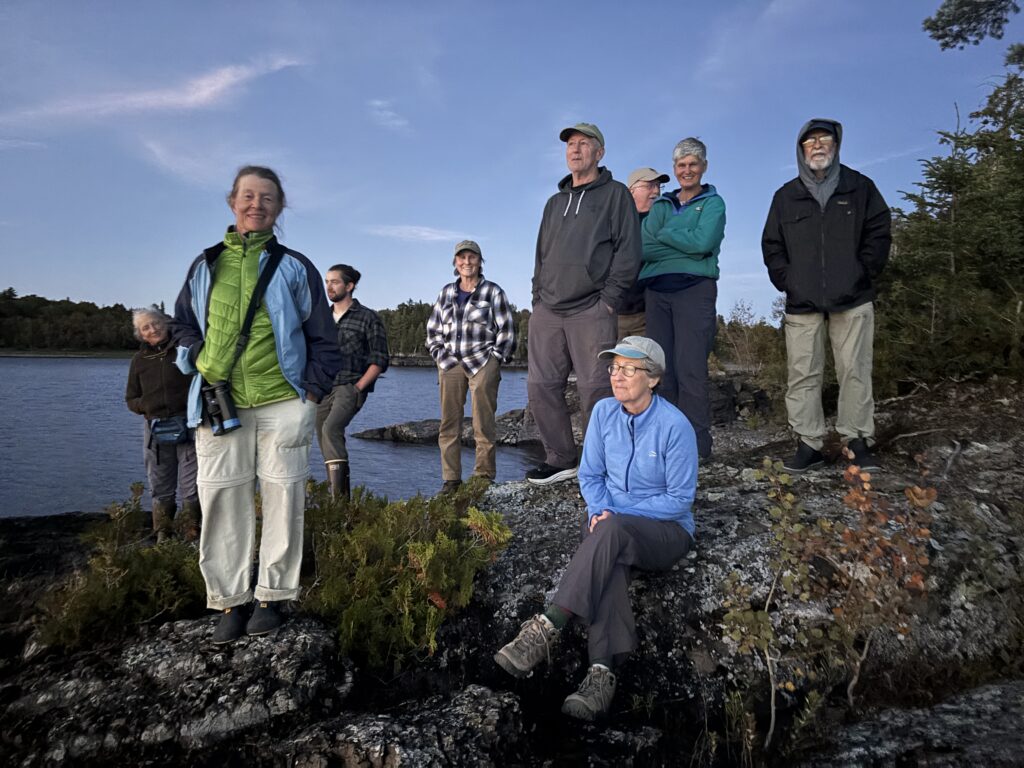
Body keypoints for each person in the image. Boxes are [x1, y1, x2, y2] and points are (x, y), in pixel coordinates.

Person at [171, 165, 342, 645]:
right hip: (217, 403)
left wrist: (310, 396)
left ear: (279, 208)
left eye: (267, 198)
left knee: (285, 499)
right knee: (223, 499)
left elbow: (324, 341)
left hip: (283, 402)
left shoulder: (295, 266)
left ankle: (272, 595)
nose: (256, 204)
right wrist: (196, 357)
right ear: (232, 202)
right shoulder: (205, 265)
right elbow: (183, 324)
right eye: (248, 196)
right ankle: (229, 601)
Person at [494, 336, 697, 721]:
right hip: (611, 528)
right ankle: (601, 675)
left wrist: (614, 512)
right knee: (610, 554)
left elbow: (679, 499)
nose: (617, 377)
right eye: (614, 368)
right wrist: (601, 510)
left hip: (667, 532)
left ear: (652, 378)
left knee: (610, 533)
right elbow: (590, 475)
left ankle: (548, 625)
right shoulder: (604, 413)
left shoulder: (675, 426)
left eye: (628, 369)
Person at [761, 119, 891, 473]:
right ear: (801, 150)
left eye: (825, 140)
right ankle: (809, 444)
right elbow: (772, 245)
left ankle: (857, 442)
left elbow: (879, 234)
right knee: (803, 373)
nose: (818, 146)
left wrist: (862, 272)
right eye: (810, 142)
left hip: (853, 298)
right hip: (802, 303)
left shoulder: (860, 187)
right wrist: (788, 281)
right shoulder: (786, 196)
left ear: (836, 145)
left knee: (855, 371)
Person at [527, 122, 642, 485]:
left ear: (599, 152)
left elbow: (628, 251)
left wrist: (609, 300)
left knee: (596, 388)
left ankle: (598, 463)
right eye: (570, 145)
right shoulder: (554, 203)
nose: (575, 150)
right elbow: (540, 255)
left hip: (592, 308)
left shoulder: (616, 195)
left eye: (583, 144)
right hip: (548, 311)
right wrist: (537, 299)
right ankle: (560, 458)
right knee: (541, 386)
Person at [638, 138, 726, 461]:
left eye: (692, 164)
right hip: (657, 293)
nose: (686, 170)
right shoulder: (662, 205)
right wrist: (682, 243)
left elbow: (704, 242)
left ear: (703, 167)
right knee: (662, 371)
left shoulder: (713, 204)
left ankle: (698, 448)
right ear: (675, 169)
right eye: (681, 165)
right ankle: (667, 446)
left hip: (695, 291)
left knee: (691, 370)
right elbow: (645, 248)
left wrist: (666, 236)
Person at [426, 240, 516, 494]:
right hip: (450, 363)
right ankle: (451, 479)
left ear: (480, 261)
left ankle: (483, 477)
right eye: (461, 257)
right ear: (455, 263)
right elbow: (433, 331)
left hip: (482, 362)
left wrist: (495, 359)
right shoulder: (445, 293)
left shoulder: (493, 292)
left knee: (483, 423)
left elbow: (507, 330)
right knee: (448, 423)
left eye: (472, 257)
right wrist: (439, 355)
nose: (467, 262)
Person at [125, 306, 200, 543]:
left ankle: (191, 537)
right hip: (155, 431)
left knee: (192, 487)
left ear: (165, 323)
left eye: (156, 323)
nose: (152, 329)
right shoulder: (139, 360)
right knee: (160, 487)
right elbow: (130, 398)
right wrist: (146, 407)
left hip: (189, 427)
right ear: (140, 333)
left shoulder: (184, 351)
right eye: (145, 327)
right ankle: (163, 537)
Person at [316, 264, 389, 500]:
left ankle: (340, 504)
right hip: (323, 388)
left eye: (334, 282)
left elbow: (379, 358)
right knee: (322, 433)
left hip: (350, 385)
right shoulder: (321, 318)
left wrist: (358, 388)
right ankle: (335, 499)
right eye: (327, 281)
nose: (329, 286)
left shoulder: (368, 317)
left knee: (331, 428)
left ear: (349, 286)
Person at [617, 167, 669, 341]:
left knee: (645, 367)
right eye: (650, 185)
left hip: (648, 316)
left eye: (658, 186)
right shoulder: (614, 221)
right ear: (631, 191)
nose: (656, 191)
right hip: (613, 315)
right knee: (609, 367)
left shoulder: (666, 222)